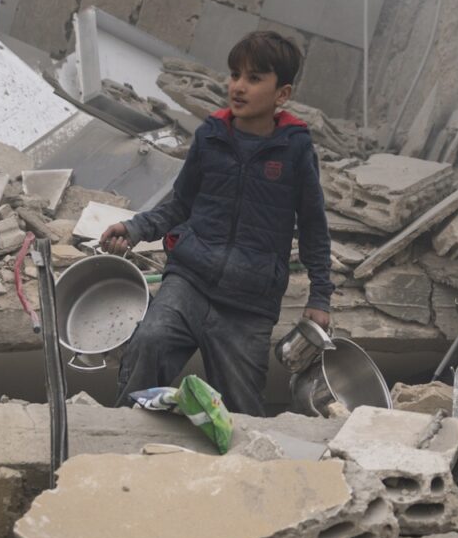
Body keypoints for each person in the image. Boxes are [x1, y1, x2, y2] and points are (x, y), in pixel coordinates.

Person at [99, 30, 333, 415]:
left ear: (282, 95)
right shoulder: (211, 136)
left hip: (249, 305)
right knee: (149, 343)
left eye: (254, 78)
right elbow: (180, 205)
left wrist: (320, 297)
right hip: (188, 283)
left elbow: (313, 225)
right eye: (235, 75)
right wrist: (136, 228)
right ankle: (121, 441)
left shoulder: (295, 149)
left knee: (241, 414)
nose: (238, 87)